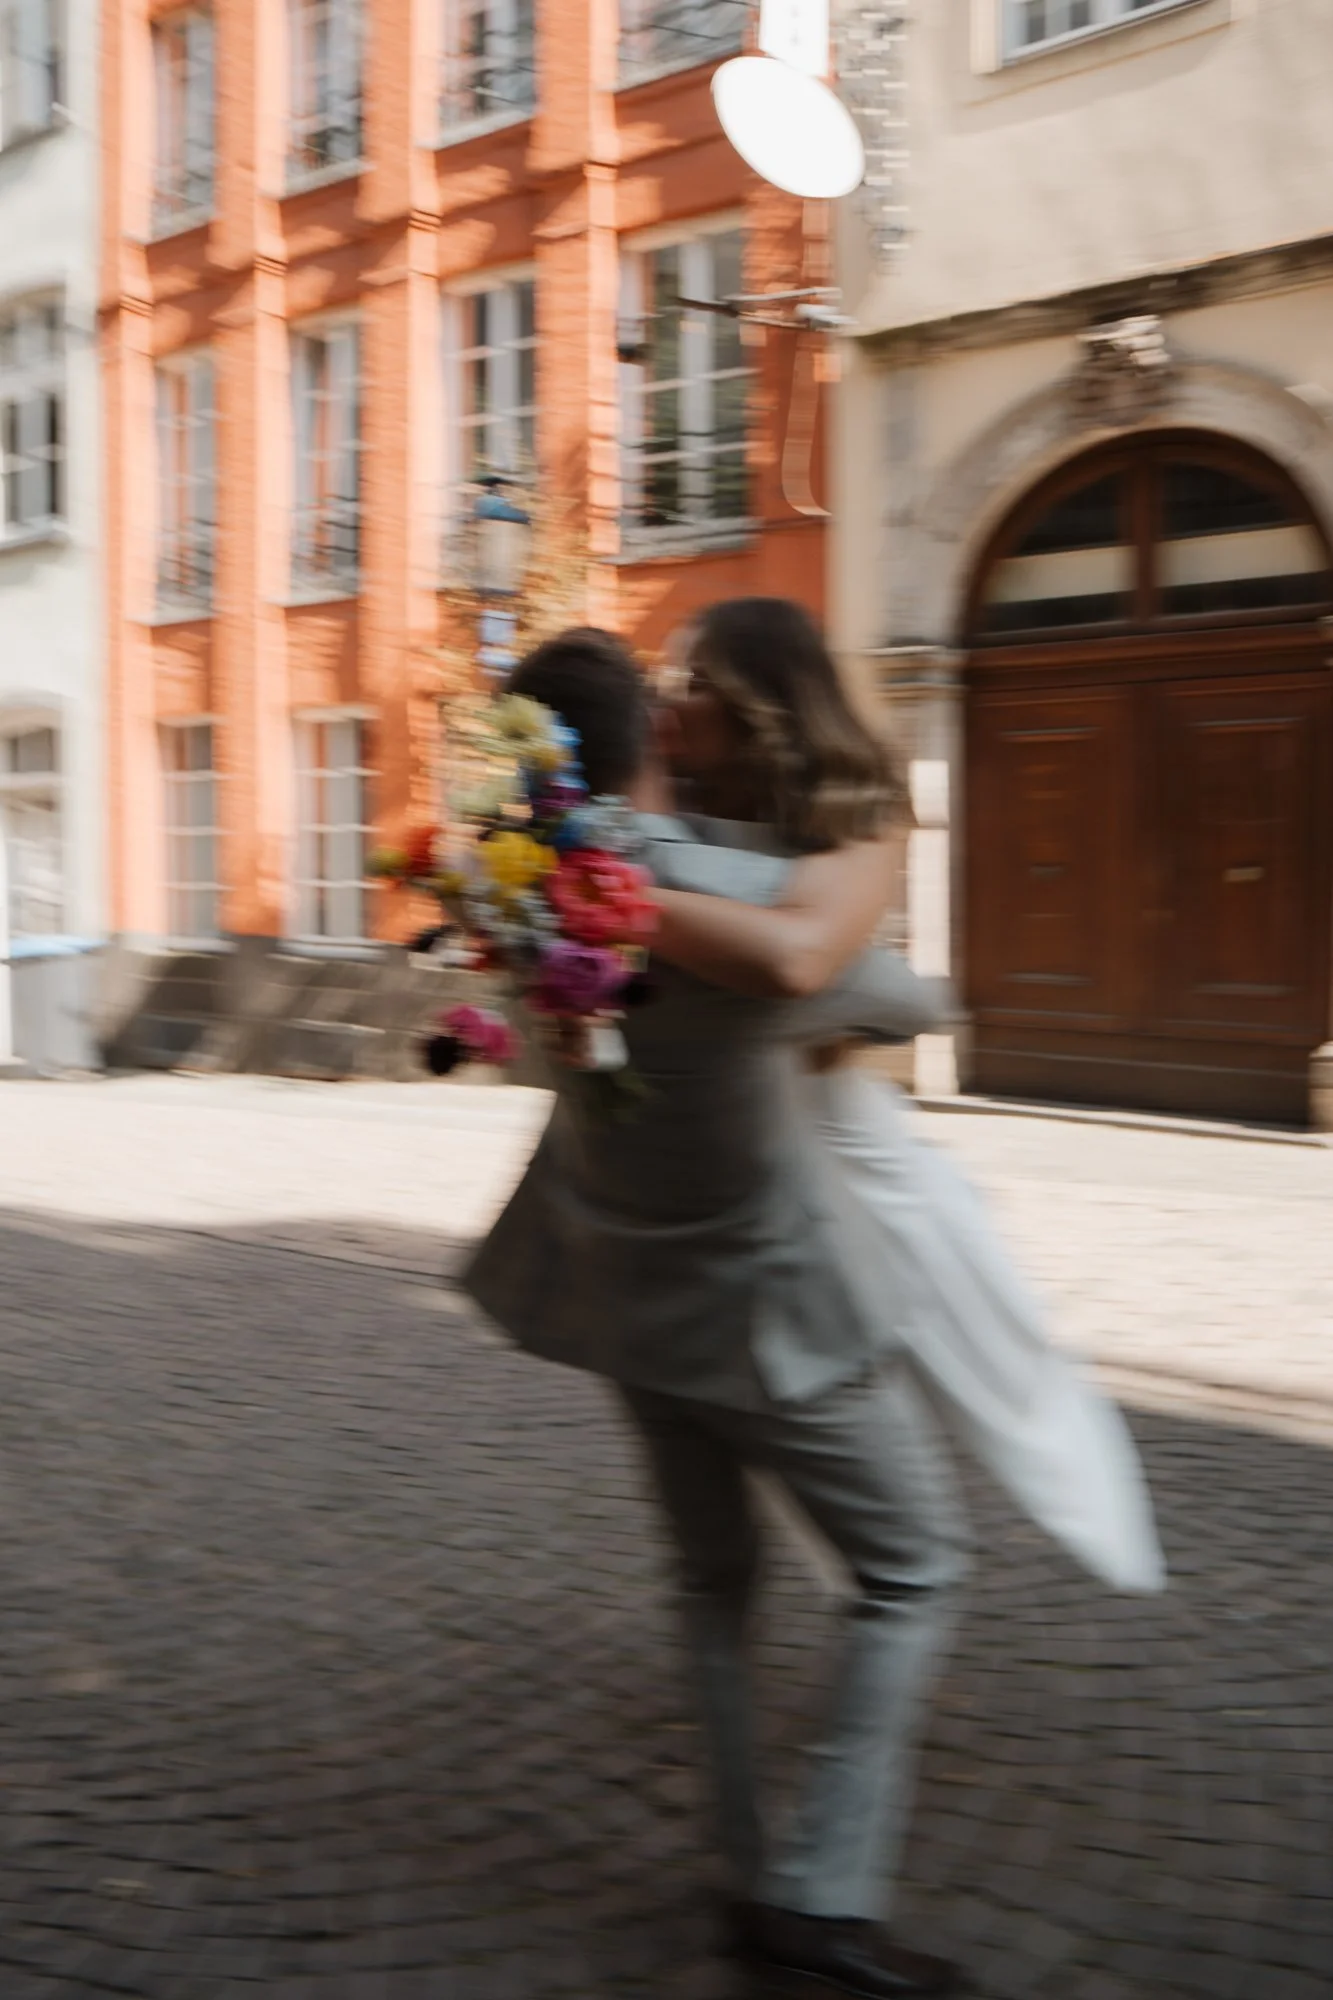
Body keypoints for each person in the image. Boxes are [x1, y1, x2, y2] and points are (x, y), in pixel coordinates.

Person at [464, 626, 970, 1998]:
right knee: (912, 1569)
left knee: (712, 1583)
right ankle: (818, 1896)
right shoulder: (727, 884)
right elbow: (899, 995)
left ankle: (751, 1870)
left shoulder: (511, 893)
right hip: (770, 1310)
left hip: (628, 1304)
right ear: (651, 736)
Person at [649, 598, 1166, 1602]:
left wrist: (620, 893)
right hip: (740, 1155)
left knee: (995, 1344)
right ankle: (862, 1567)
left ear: (761, 702)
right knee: (789, 1383)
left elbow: (828, 973)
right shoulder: (656, 802)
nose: (670, 701)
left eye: (695, 680)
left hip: (845, 1134)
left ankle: (1093, 1529)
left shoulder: (856, 809)